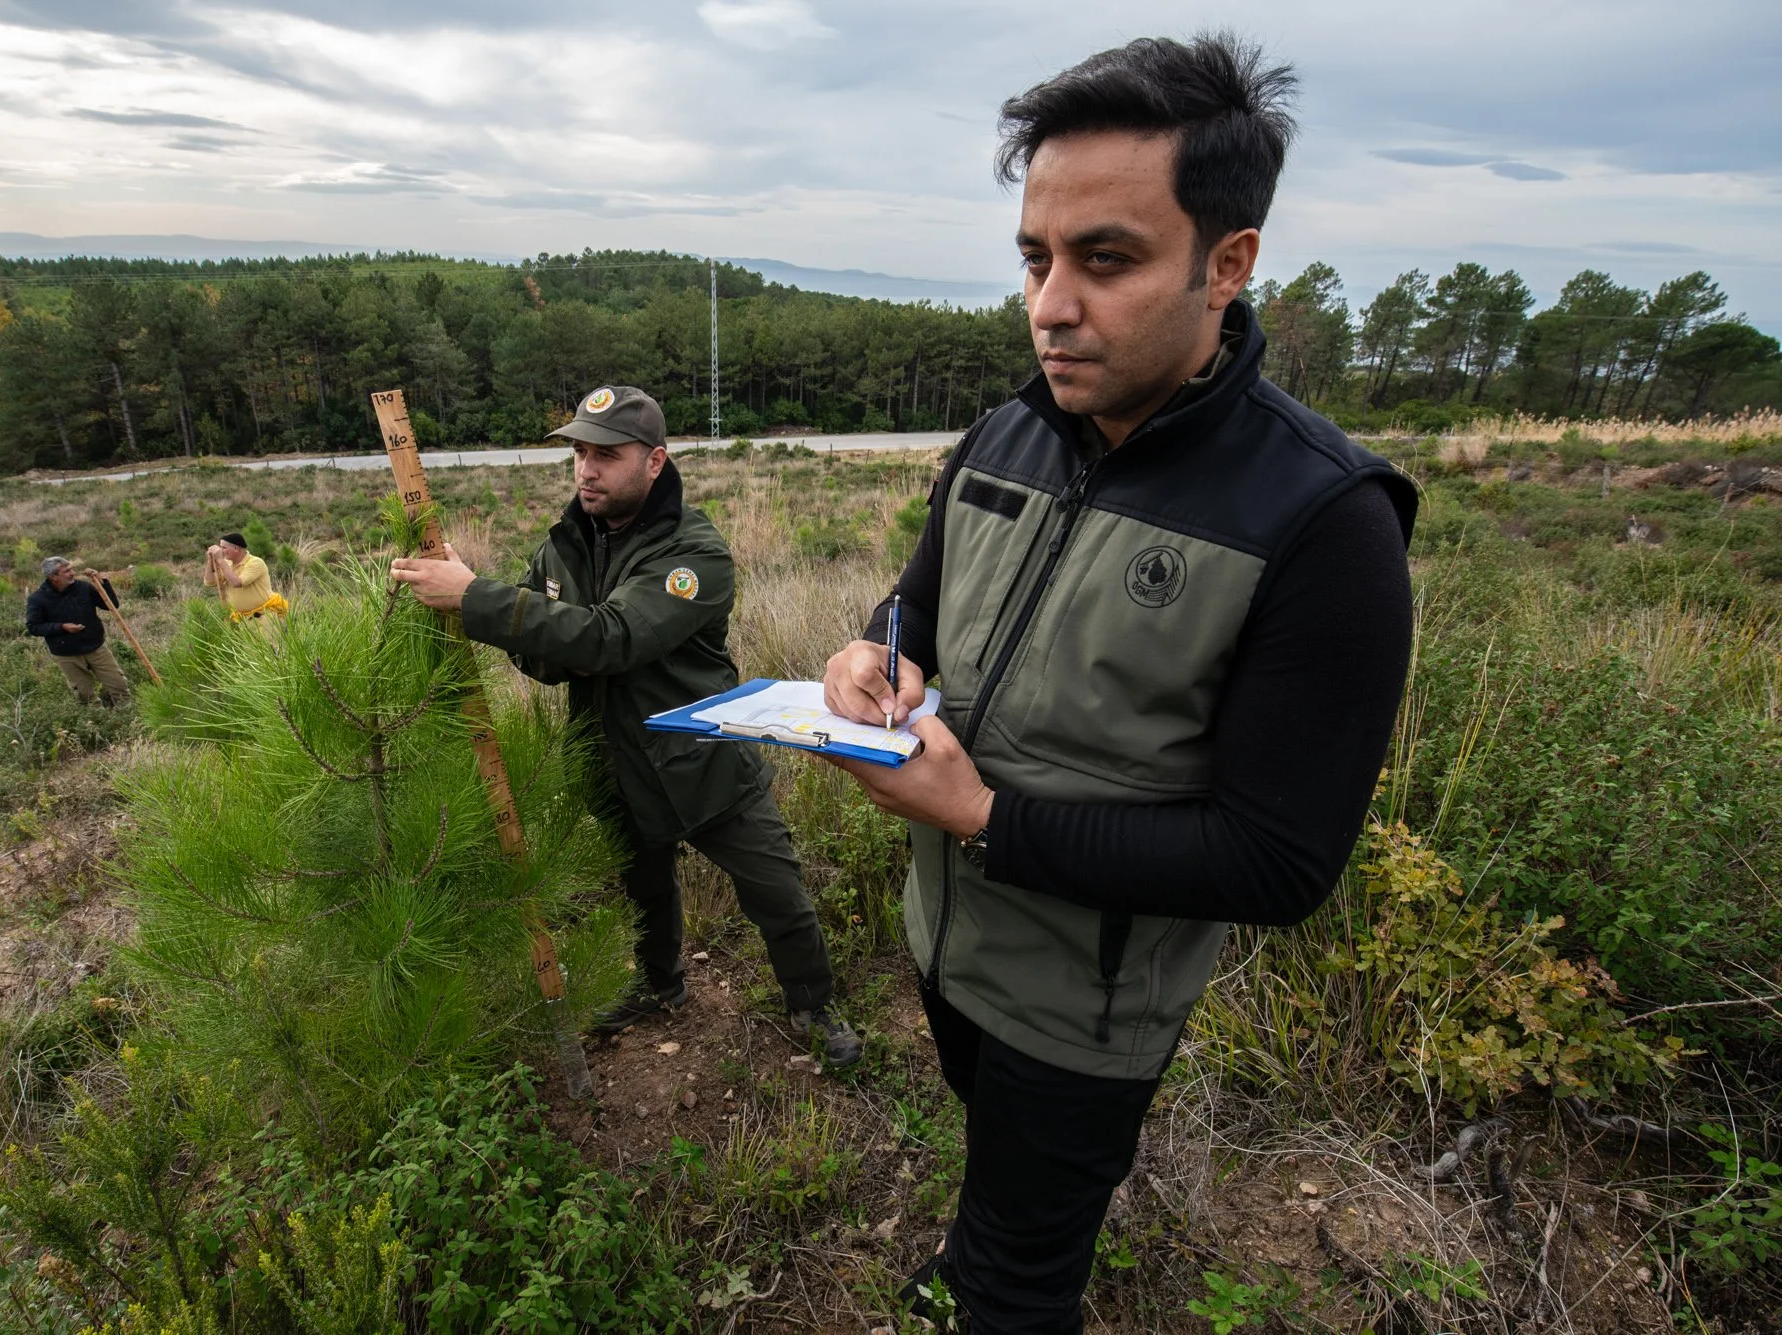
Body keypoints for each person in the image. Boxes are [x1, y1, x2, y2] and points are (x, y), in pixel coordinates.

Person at [819, 35, 1416, 1334]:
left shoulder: (1325, 523)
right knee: (1001, 1173)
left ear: (1229, 262)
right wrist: (876, 646)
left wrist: (983, 820)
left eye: (1107, 259)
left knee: (1027, 1279)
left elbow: (1277, 861)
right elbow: (918, 597)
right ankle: (989, 1246)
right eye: (1036, 258)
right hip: (947, 941)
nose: (1050, 306)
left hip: (1087, 1010)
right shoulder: (1009, 428)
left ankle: (1004, 1282)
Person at [390, 385, 862, 1067]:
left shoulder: (694, 553)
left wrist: (476, 599)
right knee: (644, 890)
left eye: (606, 453)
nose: (587, 467)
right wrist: (509, 619)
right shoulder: (564, 548)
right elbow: (542, 654)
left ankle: (813, 1004)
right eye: (580, 451)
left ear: (655, 461)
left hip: (705, 763)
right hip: (616, 764)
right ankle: (660, 985)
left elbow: (610, 637)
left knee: (776, 892)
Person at [25, 556, 131, 707]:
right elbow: (34, 627)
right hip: (67, 654)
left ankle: (127, 717)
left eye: (71, 569)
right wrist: (62, 627)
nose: (72, 573)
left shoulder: (83, 587)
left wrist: (103, 582)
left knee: (119, 685)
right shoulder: (38, 599)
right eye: (67, 571)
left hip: (96, 647)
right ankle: (96, 725)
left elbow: (111, 605)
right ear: (54, 577)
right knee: (85, 696)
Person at [206, 532, 287, 621]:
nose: (221, 551)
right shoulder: (227, 563)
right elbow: (210, 582)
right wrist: (210, 561)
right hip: (241, 619)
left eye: (224, 548)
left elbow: (237, 583)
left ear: (236, 548)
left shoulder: (255, 562)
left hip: (263, 616)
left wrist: (220, 560)